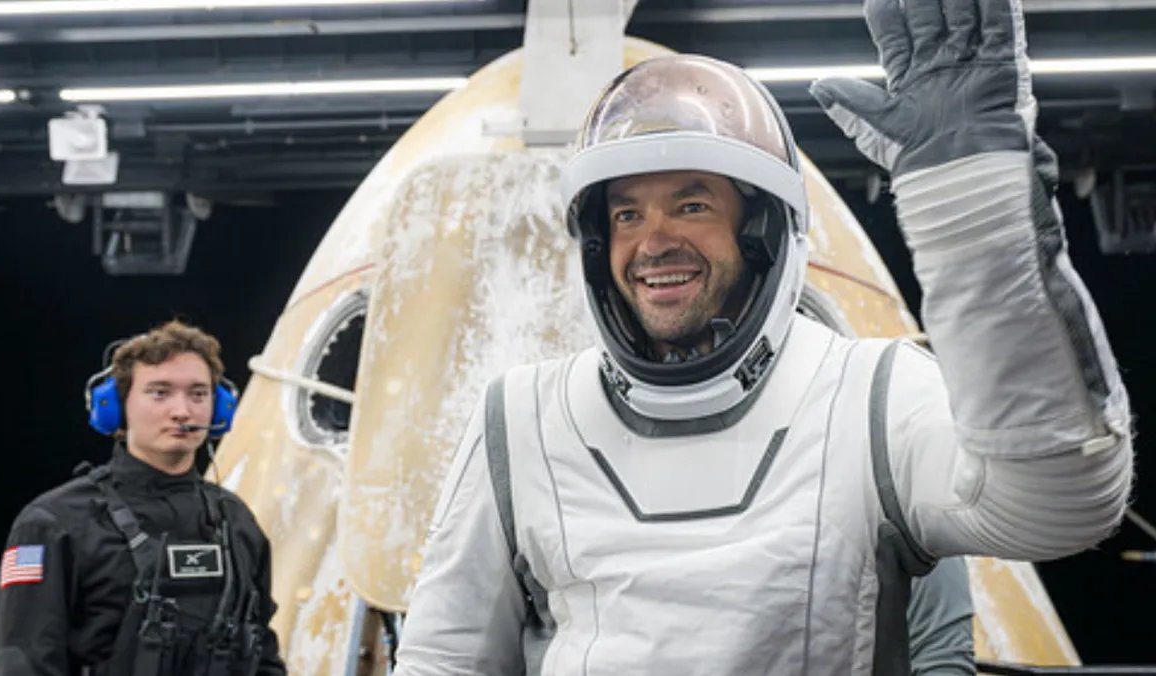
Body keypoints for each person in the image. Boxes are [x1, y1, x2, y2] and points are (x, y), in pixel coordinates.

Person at [394, 0, 1134, 673]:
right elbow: (443, 658)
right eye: (625, 214)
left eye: (690, 205)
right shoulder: (520, 418)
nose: (652, 243)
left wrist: (974, 204)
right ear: (595, 243)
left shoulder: (870, 395)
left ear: (762, 232)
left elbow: (1058, 498)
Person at [0, 320, 286, 676]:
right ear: (116, 407)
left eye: (198, 394)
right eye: (160, 393)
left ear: (219, 408)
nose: (182, 411)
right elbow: (25, 663)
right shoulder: (54, 523)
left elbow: (265, 658)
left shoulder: (237, 521)